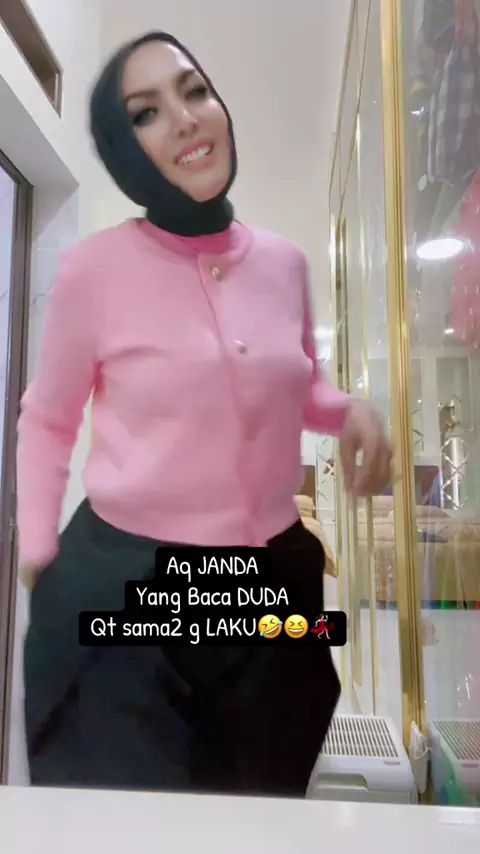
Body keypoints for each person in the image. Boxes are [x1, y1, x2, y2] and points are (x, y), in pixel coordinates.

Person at [17, 32, 392, 795]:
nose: (185, 117)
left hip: (268, 588)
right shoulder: (93, 269)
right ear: (123, 148)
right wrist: (36, 546)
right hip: (130, 584)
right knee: (130, 824)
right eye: (146, 112)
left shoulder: (284, 263)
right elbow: (49, 417)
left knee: (260, 810)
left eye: (194, 91)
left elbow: (299, 391)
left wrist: (352, 410)